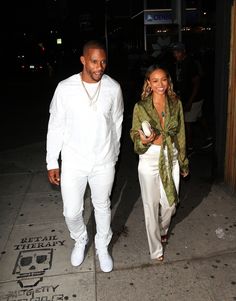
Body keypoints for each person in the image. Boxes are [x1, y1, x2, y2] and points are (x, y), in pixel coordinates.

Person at [46, 40, 124, 273]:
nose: (99, 66)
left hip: (103, 161)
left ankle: (102, 244)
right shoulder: (65, 88)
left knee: (102, 206)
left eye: (103, 61)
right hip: (73, 161)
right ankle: (80, 238)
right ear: (83, 60)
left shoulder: (113, 88)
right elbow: (55, 126)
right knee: (71, 211)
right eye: (94, 61)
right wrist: (52, 161)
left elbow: (117, 123)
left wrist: (114, 154)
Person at [130, 64, 189, 261]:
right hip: (149, 159)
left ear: (168, 81)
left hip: (170, 156)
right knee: (150, 205)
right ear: (149, 83)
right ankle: (156, 249)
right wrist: (143, 140)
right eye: (155, 81)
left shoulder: (175, 103)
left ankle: (163, 228)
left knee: (170, 204)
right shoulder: (141, 106)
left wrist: (183, 161)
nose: (160, 84)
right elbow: (134, 133)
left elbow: (180, 133)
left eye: (163, 79)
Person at [172, 42, 212, 153]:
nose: (175, 54)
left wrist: (190, 101)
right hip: (189, 97)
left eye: (178, 52)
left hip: (195, 97)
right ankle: (209, 136)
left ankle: (189, 147)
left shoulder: (190, 63)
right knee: (199, 116)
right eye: (174, 52)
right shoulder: (180, 63)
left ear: (183, 52)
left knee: (187, 122)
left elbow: (197, 83)